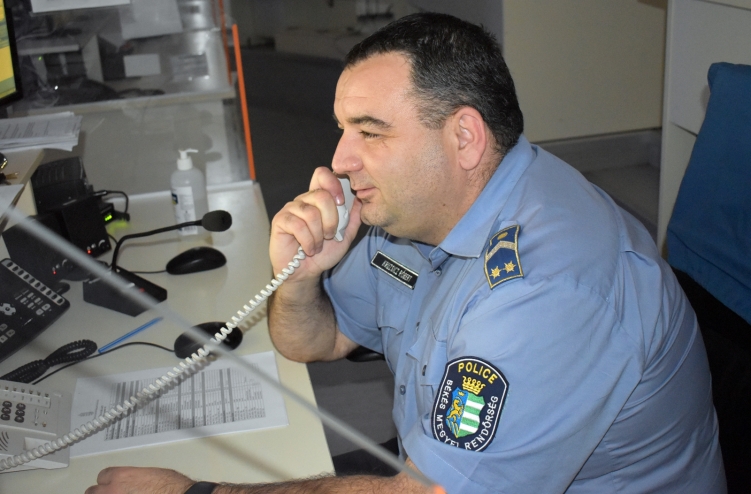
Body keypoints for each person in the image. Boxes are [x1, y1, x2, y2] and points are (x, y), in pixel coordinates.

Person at [86, 12, 726, 494]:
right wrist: (300, 277)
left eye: (370, 132)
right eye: (343, 129)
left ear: (465, 138)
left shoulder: (549, 290)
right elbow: (317, 341)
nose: (340, 159)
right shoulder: (409, 213)